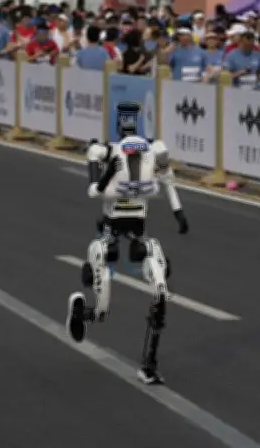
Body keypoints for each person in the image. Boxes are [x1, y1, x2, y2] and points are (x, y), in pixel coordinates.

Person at [65, 102, 189, 386]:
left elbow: (168, 180)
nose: (128, 123)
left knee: (160, 289)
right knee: (103, 309)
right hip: (110, 229)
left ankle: (148, 365)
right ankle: (82, 312)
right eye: (125, 118)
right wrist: (108, 173)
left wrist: (179, 212)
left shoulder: (153, 150)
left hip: (138, 230)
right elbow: (93, 191)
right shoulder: (105, 151)